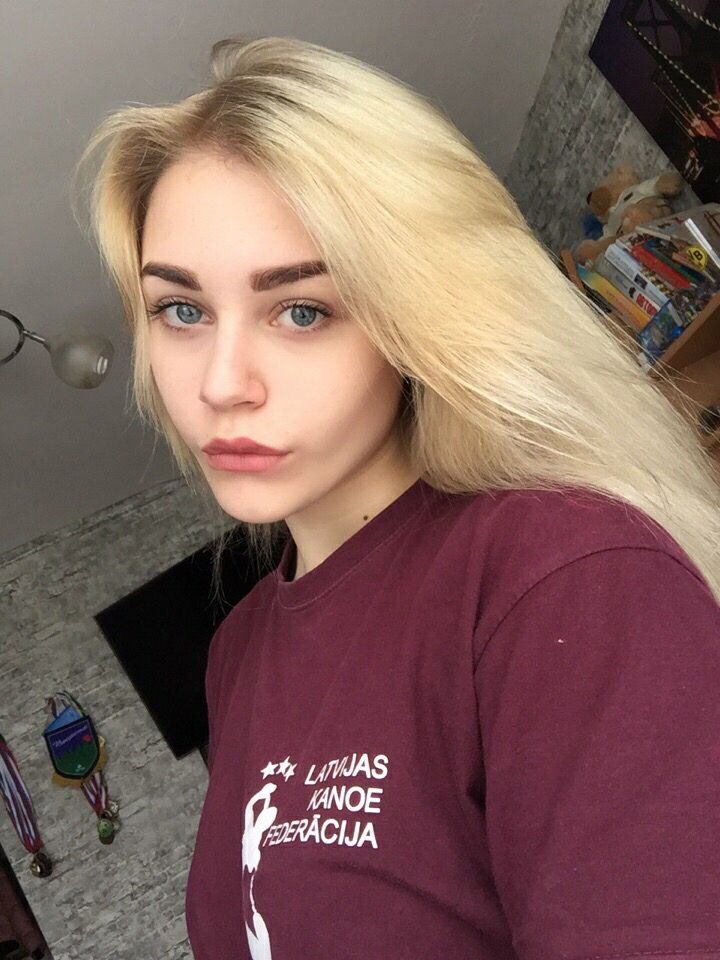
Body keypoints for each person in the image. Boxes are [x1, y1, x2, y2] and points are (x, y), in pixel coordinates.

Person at [73, 33, 720, 960]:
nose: (220, 383)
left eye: (302, 309)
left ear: (416, 313)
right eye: (183, 310)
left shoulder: (564, 576)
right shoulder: (236, 651)